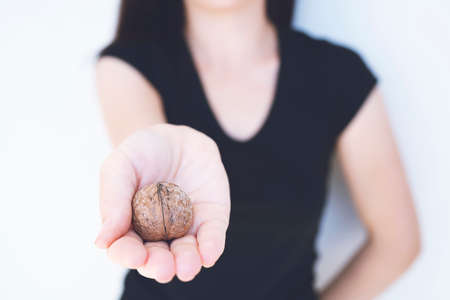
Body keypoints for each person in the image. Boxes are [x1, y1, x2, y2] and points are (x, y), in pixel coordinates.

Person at [94, 1, 421, 299]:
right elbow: (147, 142)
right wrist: (163, 146)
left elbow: (397, 243)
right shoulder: (128, 65)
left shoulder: (340, 75)